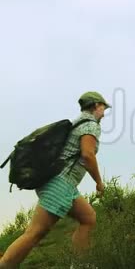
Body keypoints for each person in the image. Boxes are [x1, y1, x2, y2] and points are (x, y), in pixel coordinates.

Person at [0, 91, 111, 269]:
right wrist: (99, 182)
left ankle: (79, 264)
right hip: (61, 184)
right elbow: (88, 155)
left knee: (88, 218)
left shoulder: (78, 122)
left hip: (63, 183)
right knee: (35, 233)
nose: (104, 114)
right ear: (96, 105)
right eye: (103, 108)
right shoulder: (91, 125)